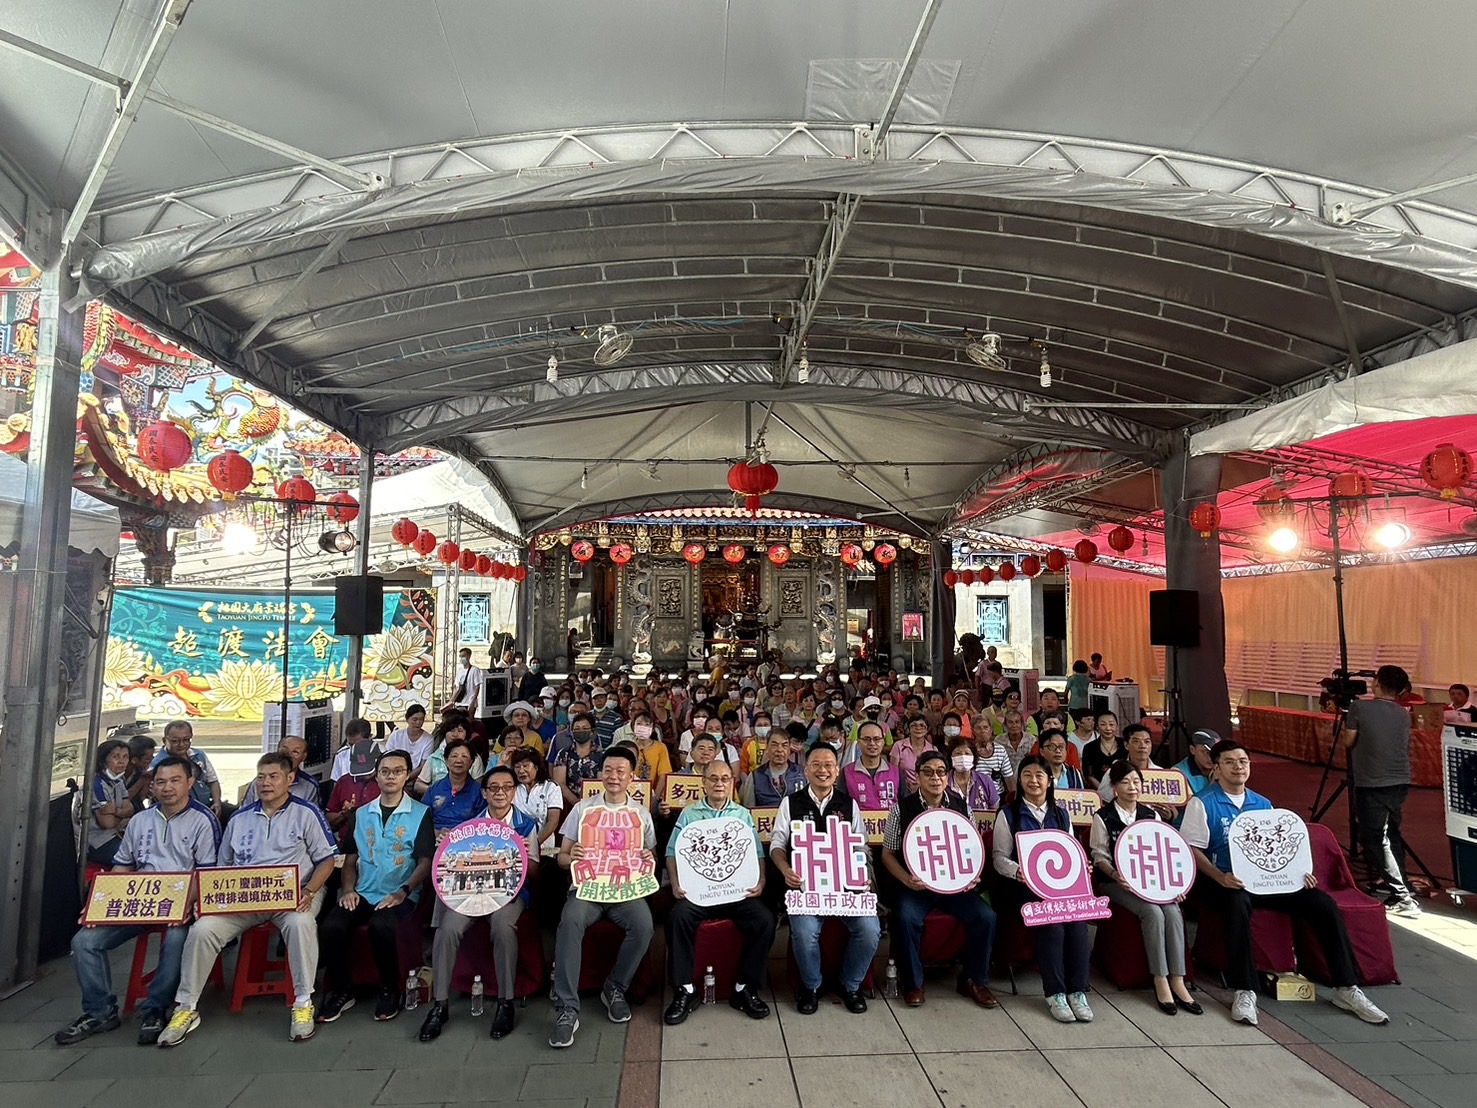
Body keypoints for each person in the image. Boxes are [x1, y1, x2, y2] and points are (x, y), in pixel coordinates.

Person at [1181, 740, 1389, 1027]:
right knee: (1237, 903)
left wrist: (1299, 873)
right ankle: (1245, 989)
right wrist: (1220, 877)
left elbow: (1278, 849)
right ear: (1216, 768)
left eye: (1243, 761)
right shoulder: (1203, 803)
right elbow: (1192, 848)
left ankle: (1346, 987)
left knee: (1323, 904)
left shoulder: (1262, 803)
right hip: (1225, 882)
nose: (1238, 767)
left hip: (1267, 882)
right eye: (1229, 762)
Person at [158, 752, 337, 1047]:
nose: (265, 783)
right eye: (261, 777)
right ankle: (186, 1007)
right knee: (202, 929)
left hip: (295, 896)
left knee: (301, 924)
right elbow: (222, 869)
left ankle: (303, 1002)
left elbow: (326, 860)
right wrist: (208, 901)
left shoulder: (306, 813)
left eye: (273, 777)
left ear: (290, 779)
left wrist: (309, 891)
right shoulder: (239, 819)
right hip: (244, 900)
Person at [55, 756, 220, 1046]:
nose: (167, 788)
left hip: (182, 904)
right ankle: (99, 1011)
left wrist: (182, 906)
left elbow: (206, 875)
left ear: (190, 783)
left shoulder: (203, 821)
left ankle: (156, 1007)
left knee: (176, 938)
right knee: (84, 942)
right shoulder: (140, 821)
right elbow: (122, 867)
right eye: (160, 782)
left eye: (175, 780)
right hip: (140, 902)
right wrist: (101, 904)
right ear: (152, 786)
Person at [419, 765, 541, 1041]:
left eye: (507, 787)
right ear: (484, 793)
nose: (500, 793)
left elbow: (535, 873)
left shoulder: (525, 824)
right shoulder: (469, 828)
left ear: (514, 791)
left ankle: (505, 1002)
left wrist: (521, 854)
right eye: (494, 788)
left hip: (509, 894)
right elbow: (450, 869)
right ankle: (440, 1004)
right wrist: (443, 847)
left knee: (502, 927)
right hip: (471, 893)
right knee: (447, 928)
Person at [550, 747, 657, 1049]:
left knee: (645, 926)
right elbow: (560, 857)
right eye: (608, 770)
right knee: (570, 921)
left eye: (620, 771)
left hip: (625, 892)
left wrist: (649, 855)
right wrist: (573, 856)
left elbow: (651, 856)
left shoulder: (640, 814)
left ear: (632, 777)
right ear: (600, 773)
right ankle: (567, 1007)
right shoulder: (584, 810)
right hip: (589, 890)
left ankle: (615, 987)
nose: (613, 776)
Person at [317, 750, 434, 1023]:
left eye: (397, 771)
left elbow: (425, 861)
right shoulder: (361, 814)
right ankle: (343, 990)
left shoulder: (420, 813)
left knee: (383, 926)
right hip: (364, 890)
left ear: (407, 775)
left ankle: (389, 989)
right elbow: (350, 859)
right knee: (332, 926)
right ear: (376, 776)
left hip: (401, 892)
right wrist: (348, 890)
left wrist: (403, 891)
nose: (391, 776)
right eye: (385, 771)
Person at [881, 750, 998, 1008]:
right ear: (917, 778)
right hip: (916, 886)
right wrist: (905, 879)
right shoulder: (901, 809)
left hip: (955, 885)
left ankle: (973, 980)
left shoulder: (962, 806)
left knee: (986, 917)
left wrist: (973, 876)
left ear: (948, 776)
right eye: (928, 772)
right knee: (905, 917)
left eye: (941, 772)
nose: (935, 778)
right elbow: (888, 854)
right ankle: (913, 983)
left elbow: (972, 849)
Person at [770, 744, 881, 1015]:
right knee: (806, 933)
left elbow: (861, 847)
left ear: (837, 771)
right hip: (806, 888)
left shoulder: (848, 804)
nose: (823, 770)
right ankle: (811, 986)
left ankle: (850, 985)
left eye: (829, 765)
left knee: (870, 930)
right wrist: (786, 870)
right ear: (806, 770)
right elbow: (777, 845)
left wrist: (862, 876)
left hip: (845, 889)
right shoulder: (791, 803)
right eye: (816, 765)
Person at [663, 760, 775, 1025]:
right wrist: (677, 883)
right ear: (703, 782)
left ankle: (744, 987)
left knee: (765, 920)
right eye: (713, 778)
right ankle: (685, 990)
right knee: (677, 917)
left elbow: (757, 854)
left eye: (725, 779)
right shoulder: (689, 814)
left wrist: (761, 881)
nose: (719, 784)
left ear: (732, 782)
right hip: (700, 893)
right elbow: (671, 853)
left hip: (735, 893)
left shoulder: (742, 815)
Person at [1089, 762, 1199, 1015]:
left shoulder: (1151, 815)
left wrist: (1175, 885)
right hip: (1116, 884)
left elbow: (1165, 854)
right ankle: (1160, 978)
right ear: (1115, 787)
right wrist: (1117, 876)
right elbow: (1099, 856)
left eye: (1136, 782)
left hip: (1152, 883)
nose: (1132, 787)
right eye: (1125, 782)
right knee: (1153, 912)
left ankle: (1178, 979)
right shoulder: (1103, 817)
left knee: (1172, 911)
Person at [992, 754, 1093, 1024]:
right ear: (1020, 780)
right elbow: (999, 857)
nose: (1033, 780)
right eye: (1027, 775)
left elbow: (1073, 851)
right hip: (1022, 888)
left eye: (1039, 775)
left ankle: (1078, 991)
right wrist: (1017, 871)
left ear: (1050, 781)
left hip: (1059, 888)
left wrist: (1082, 866)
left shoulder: (1061, 815)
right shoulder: (1008, 814)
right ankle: (1055, 993)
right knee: (1052, 923)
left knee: (1078, 922)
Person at [1342, 666, 1421, 918]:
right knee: (1391, 834)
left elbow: (1348, 740)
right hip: (1399, 780)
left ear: (1377, 684)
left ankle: (1402, 895)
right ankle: (1401, 884)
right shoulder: (1402, 713)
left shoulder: (1359, 708)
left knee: (1375, 838)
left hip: (1372, 781)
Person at [151, 721, 223, 819]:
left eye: (186, 740)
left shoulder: (199, 755)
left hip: (206, 805)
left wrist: (217, 802)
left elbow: (213, 780)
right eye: (175, 741)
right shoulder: (158, 764)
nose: (181, 745)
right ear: (165, 741)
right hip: (178, 812)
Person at [327, 722, 382, 846]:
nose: (354, 748)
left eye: (358, 743)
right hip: (348, 838)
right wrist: (344, 813)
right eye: (350, 744)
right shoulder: (342, 758)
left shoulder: (385, 763)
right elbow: (331, 810)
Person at [86, 739, 135, 866]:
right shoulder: (96, 784)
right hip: (97, 841)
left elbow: (130, 808)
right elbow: (107, 823)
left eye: (125, 757)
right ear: (103, 760)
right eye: (115, 757)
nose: (122, 762)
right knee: (131, 860)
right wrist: (123, 816)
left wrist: (116, 811)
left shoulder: (118, 780)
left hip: (117, 833)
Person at [423, 736, 486, 835]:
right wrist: (436, 834)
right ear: (446, 760)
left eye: (464, 756)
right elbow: (423, 821)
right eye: (454, 756)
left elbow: (483, 824)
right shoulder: (434, 790)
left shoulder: (479, 792)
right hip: (436, 840)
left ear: (471, 762)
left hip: (468, 841)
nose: (459, 760)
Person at [512, 748, 564, 858]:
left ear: (536, 767)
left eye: (525, 766)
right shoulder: (512, 788)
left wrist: (534, 845)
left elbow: (553, 822)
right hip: (514, 848)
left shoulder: (551, 787)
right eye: (517, 767)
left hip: (544, 848)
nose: (521, 771)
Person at [241, 736, 321, 808]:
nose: (288, 755)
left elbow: (313, 817)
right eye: (284, 751)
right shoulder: (259, 782)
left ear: (303, 757)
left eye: (295, 752)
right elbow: (244, 812)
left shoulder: (309, 785)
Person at [842, 721, 902, 809]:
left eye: (877, 739)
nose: (872, 743)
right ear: (858, 742)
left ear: (883, 742)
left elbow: (905, 804)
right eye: (866, 739)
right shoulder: (846, 772)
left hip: (891, 822)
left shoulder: (896, 772)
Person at [742, 729, 805, 807]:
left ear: (789, 750)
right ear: (767, 749)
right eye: (774, 745)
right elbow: (749, 810)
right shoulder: (755, 777)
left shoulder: (802, 773)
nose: (779, 750)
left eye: (784, 745)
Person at [552, 716, 603, 808]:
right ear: (571, 732)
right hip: (569, 804)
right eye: (577, 729)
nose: (581, 731)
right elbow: (560, 782)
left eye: (585, 728)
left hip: (595, 804)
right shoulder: (564, 753)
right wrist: (576, 803)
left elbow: (600, 783)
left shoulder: (601, 755)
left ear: (592, 731)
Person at [945, 739, 1000, 814]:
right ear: (951, 757)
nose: (963, 757)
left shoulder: (985, 781)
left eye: (967, 753)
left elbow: (994, 811)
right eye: (958, 753)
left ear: (973, 757)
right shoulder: (944, 782)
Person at [891, 716, 937, 793]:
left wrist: (920, 787)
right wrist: (905, 785)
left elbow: (933, 773)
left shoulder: (933, 749)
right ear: (908, 729)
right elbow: (893, 772)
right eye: (914, 725)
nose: (918, 728)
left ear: (927, 730)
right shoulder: (899, 746)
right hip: (903, 788)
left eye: (922, 725)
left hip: (926, 789)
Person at [388, 705, 434, 780]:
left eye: (421, 719)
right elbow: (388, 757)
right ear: (407, 719)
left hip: (415, 777)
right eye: (414, 719)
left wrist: (406, 779)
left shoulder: (429, 739)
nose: (418, 722)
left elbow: (423, 766)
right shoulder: (396, 735)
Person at [1081, 715, 1125, 792]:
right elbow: (1089, 775)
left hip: (1123, 790)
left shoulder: (1124, 745)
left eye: (1111, 724)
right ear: (1097, 727)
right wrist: (1103, 791)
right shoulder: (1089, 747)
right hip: (1098, 792)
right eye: (1103, 724)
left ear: (1117, 726)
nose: (1108, 728)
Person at [1173, 730, 1217, 797]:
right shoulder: (1178, 773)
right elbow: (1191, 804)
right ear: (1192, 750)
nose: (1211, 758)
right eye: (1206, 752)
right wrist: (1213, 784)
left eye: (1215, 753)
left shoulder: (1221, 767)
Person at [447, 646, 485, 714]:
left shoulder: (475, 670)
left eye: (463, 656)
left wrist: (473, 701)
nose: (461, 658)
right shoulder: (459, 671)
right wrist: (452, 700)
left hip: (469, 702)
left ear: (469, 656)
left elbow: (477, 686)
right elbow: (456, 687)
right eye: (460, 656)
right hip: (459, 702)